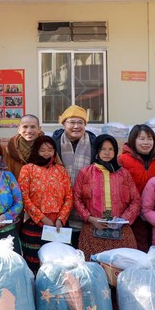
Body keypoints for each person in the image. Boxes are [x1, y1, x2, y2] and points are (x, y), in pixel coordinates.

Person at [73, 134, 140, 259]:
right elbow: (77, 198)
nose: (107, 153)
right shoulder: (86, 172)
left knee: (121, 268)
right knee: (94, 267)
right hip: (92, 229)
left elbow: (135, 200)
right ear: (97, 151)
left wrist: (122, 220)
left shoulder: (124, 173)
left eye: (111, 149)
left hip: (121, 230)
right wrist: (90, 218)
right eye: (103, 149)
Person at [17, 135, 73, 273]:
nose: (46, 153)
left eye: (50, 149)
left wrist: (61, 218)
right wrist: (42, 218)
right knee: (34, 264)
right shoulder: (27, 169)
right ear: (36, 151)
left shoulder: (60, 170)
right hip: (35, 224)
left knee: (60, 263)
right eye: (42, 150)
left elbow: (69, 196)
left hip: (59, 226)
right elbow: (24, 196)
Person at [52, 105, 97, 247]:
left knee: (83, 243)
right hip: (59, 199)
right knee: (62, 246)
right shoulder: (54, 142)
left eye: (80, 122)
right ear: (64, 124)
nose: (76, 126)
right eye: (71, 122)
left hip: (86, 199)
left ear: (85, 125)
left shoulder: (94, 142)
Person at [117, 123, 155, 251]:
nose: (146, 142)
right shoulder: (122, 160)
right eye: (142, 139)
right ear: (133, 140)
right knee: (135, 250)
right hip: (132, 216)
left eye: (149, 139)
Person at [4, 114, 41, 180]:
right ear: (19, 129)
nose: (29, 131)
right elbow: (5, 175)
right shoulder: (10, 150)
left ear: (39, 129)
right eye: (25, 127)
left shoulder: (48, 147)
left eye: (33, 127)